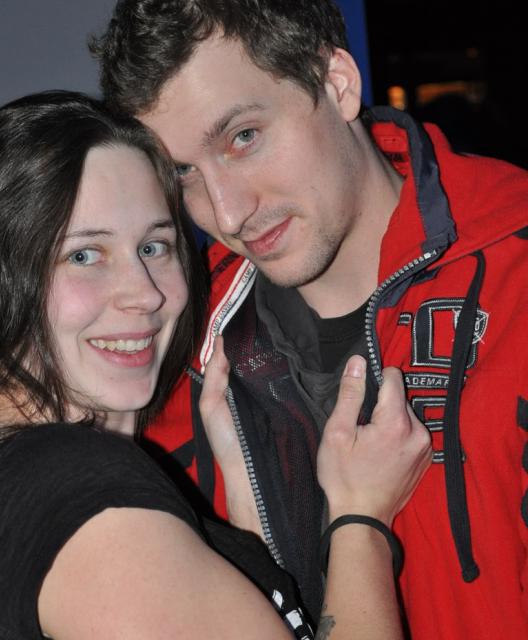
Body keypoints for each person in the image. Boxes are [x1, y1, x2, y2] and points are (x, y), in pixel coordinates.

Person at [0, 90, 430, 639]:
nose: (145, 294)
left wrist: (248, 541)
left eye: (154, 247)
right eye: (84, 255)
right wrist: (361, 517)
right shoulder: (75, 493)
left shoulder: (4, 485)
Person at [93, 1, 528, 637]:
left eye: (243, 137)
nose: (227, 213)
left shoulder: (515, 278)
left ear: (338, 83)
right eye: (183, 172)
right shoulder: (172, 343)